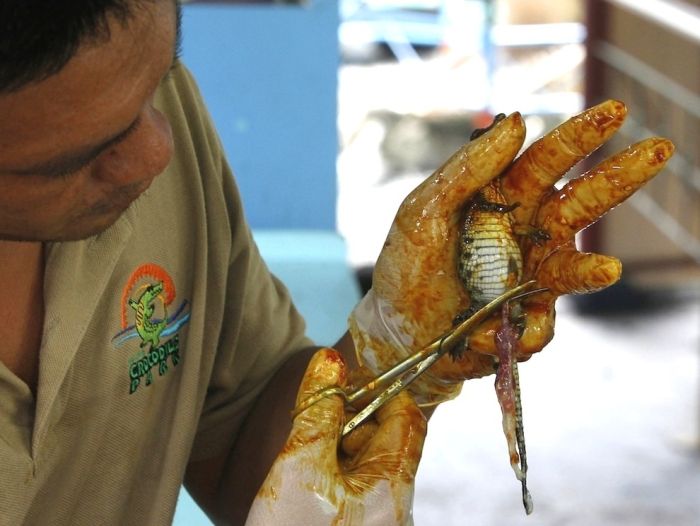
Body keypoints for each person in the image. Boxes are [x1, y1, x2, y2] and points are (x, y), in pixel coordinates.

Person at [0, 1, 673, 525]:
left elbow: (239, 433)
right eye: (74, 160)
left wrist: (387, 352)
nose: (155, 155)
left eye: (158, 78)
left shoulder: (129, 92)